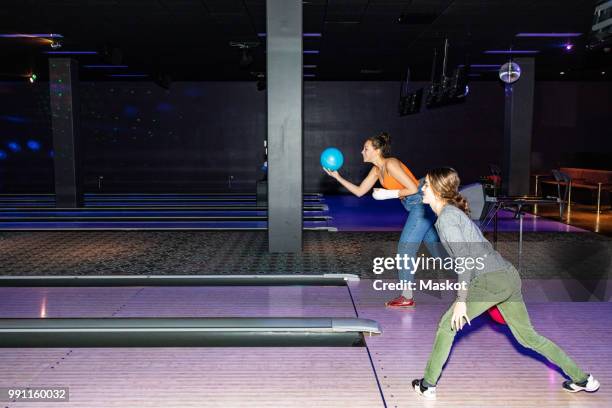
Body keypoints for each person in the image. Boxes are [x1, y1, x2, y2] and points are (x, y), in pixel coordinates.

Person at [412, 167, 600, 399]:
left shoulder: (448, 219)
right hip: (507, 276)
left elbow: (465, 261)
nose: (422, 187)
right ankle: (583, 378)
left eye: (427, 184)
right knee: (529, 338)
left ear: (439, 191)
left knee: (446, 326)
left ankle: (427, 384)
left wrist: (461, 300)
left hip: (491, 280)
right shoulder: (451, 214)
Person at [323, 132, 440, 307]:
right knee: (436, 247)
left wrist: (388, 194)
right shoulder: (377, 170)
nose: (362, 152)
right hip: (415, 205)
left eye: (366, 148)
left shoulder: (390, 163)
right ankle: (472, 277)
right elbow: (360, 191)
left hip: (421, 204)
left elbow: (414, 188)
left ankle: (406, 296)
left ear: (377, 151)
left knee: (405, 248)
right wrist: (337, 177)